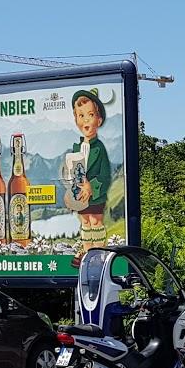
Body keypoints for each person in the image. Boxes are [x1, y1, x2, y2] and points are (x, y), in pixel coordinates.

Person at [71, 88, 111, 264]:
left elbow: (105, 174)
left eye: (90, 115)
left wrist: (92, 187)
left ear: (99, 120)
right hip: (81, 196)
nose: (85, 120)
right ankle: (88, 254)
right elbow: (74, 171)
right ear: (76, 119)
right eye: (81, 115)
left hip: (95, 195)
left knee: (96, 221)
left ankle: (99, 253)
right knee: (85, 222)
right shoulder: (76, 148)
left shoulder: (99, 148)